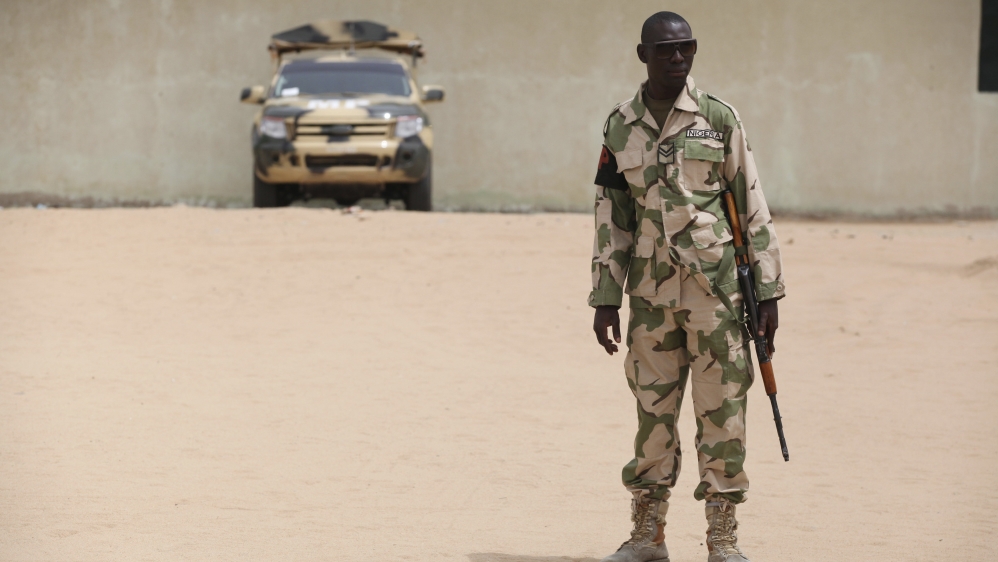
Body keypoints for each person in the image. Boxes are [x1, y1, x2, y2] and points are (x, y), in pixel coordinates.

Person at [589, 11, 785, 562]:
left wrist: (767, 290)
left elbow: (751, 202)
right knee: (653, 415)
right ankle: (647, 536)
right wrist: (606, 296)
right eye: (667, 50)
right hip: (650, 300)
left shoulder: (718, 119)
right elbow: (612, 216)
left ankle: (722, 540)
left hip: (716, 295)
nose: (678, 58)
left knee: (721, 411)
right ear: (643, 55)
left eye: (687, 48)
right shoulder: (620, 126)